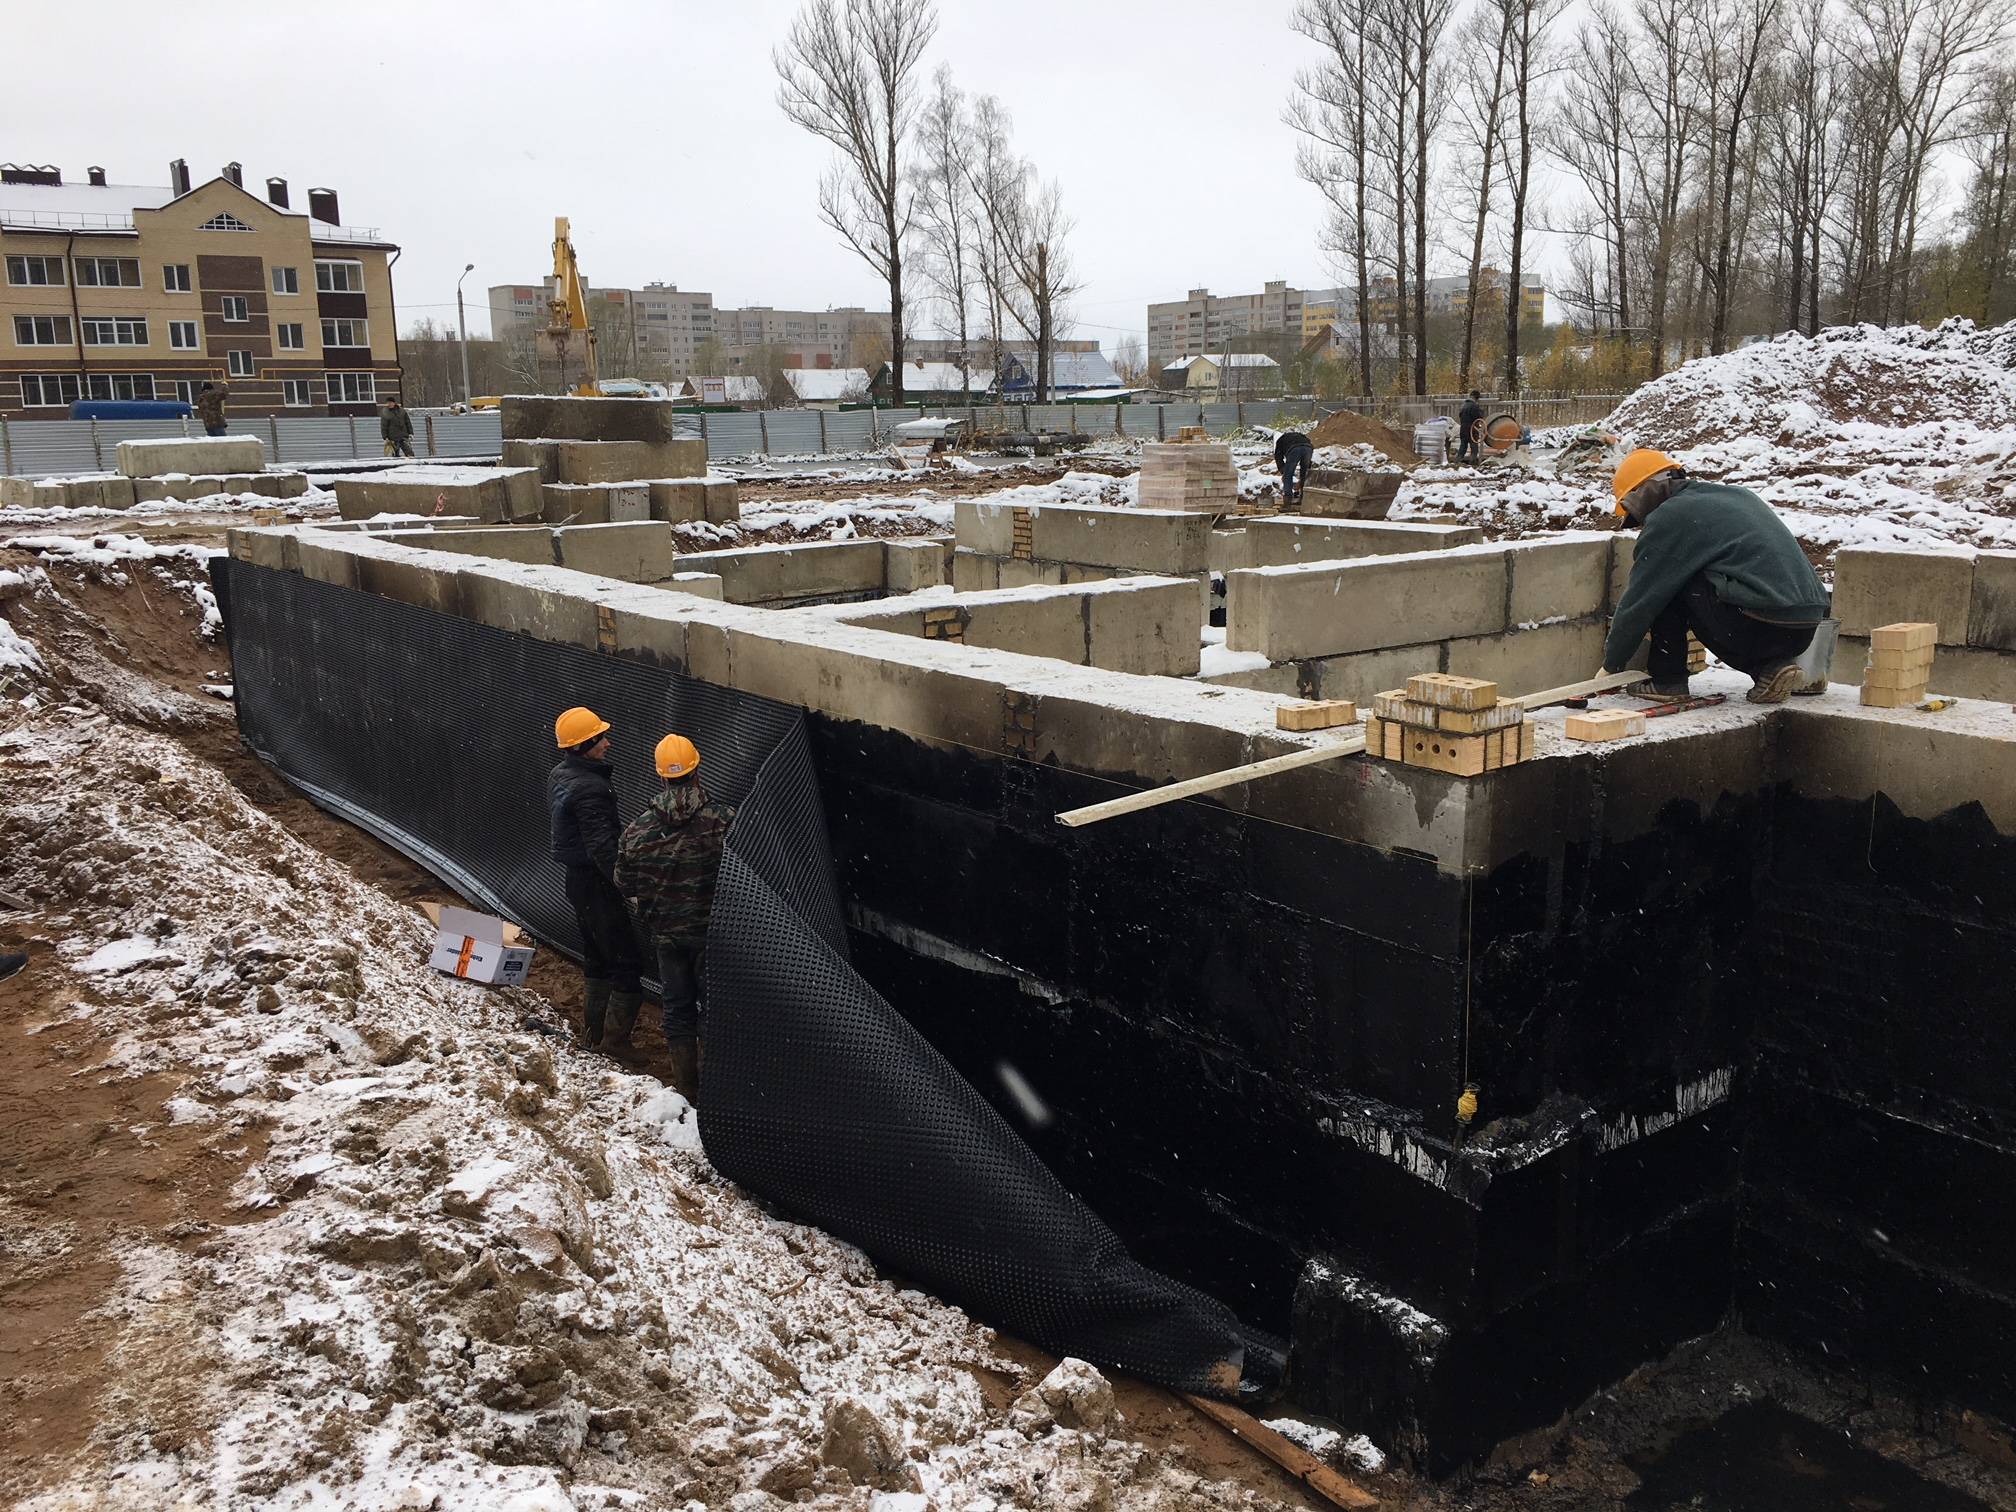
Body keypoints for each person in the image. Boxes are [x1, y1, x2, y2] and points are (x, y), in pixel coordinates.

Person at [1603, 449, 1831, 704]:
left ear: (1642, 493)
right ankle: (1771, 670)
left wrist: (1611, 665)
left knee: (1666, 586)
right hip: (1804, 629)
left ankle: (1668, 681)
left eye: (1635, 513)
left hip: (1758, 623)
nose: (1642, 522)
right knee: (1694, 580)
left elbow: (1640, 601)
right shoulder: (1735, 496)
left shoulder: (1671, 515)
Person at [614, 733, 735, 1099]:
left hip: (666, 935)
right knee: (715, 1011)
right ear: (697, 770)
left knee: (678, 1009)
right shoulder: (725, 822)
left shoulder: (637, 830)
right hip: (713, 935)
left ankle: (686, 1088)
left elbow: (624, 882)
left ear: (661, 776)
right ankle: (716, 1090)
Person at [547, 707, 645, 1049]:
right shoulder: (590, 788)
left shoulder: (561, 774)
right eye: (600, 738)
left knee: (597, 957)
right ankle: (614, 1044)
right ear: (582, 746)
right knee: (625, 964)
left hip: (578, 881)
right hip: (596, 884)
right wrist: (629, 889)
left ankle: (595, 1034)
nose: (607, 743)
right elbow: (602, 848)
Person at [1273, 429, 1315, 507]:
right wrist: (1303, 477)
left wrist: (1283, 472)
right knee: (1305, 474)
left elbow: (1278, 457)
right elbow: (1308, 465)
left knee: (1288, 475)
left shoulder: (1280, 441)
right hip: (1308, 448)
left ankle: (1287, 502)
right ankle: (1303, 499)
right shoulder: (1301, 436)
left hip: (1294, 449)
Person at [1456, 390, 1486, 464]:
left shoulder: (1463, 405)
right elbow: (1478, 417)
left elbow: (1460, 415)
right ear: (1476, 398)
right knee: (1474, 447)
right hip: (1472, 429)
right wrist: (1481, 412)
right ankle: (1472, 463)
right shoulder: (1474, 406)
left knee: (1463, 446)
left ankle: (1458, 461)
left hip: (1463, 428)